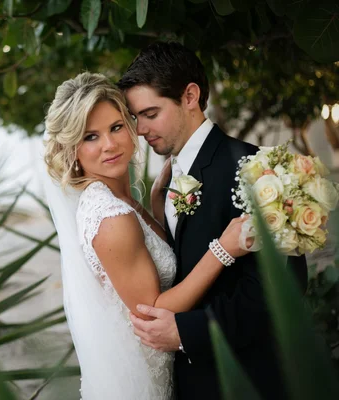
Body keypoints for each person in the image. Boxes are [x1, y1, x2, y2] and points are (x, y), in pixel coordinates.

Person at [117, 41, 308, 400]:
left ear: (190, 96)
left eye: (150, 114)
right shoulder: (168, 177)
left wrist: (187, 332)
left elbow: (282, 290)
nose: (140, 130)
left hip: (246, 379)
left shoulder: (259, 170)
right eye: (135, 117)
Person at [42, 72, 251, 400]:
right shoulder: (112, 217)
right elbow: (152, 311)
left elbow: (147, 260)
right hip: (141, 382)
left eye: (115, 127)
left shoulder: (118, 200)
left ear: (130, 125)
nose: (109, 145)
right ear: (71, 149)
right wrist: (223, 250)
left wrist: (155, 207)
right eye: (90, 136)